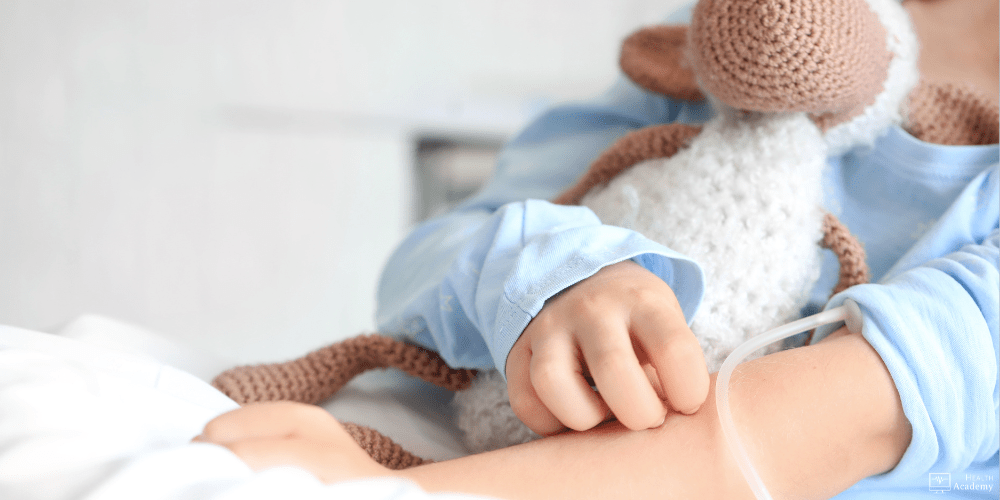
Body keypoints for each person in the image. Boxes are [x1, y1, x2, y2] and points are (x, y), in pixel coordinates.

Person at [198, 0, 999, 498]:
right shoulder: (735, 44)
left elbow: (791, 435)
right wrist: (548, 276)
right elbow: (431, 258)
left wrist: (403, 491)